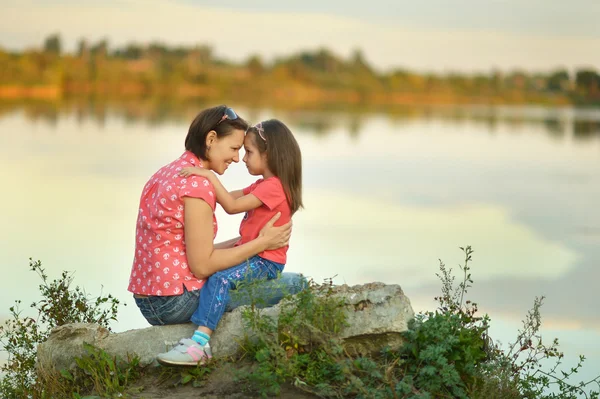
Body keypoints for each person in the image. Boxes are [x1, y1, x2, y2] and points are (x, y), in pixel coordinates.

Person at [127, 106, 306, 364]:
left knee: (228, 275)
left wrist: (243, 244)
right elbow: (202, 267)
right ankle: (200, 345)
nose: (237, 159)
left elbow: (184, 249)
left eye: (243, 151)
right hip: (174, 303)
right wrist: (262, 243)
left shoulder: (166, 173)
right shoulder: (196, 183)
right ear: (211, 140)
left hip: (150, 300)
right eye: (234, 149)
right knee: (295, 284)